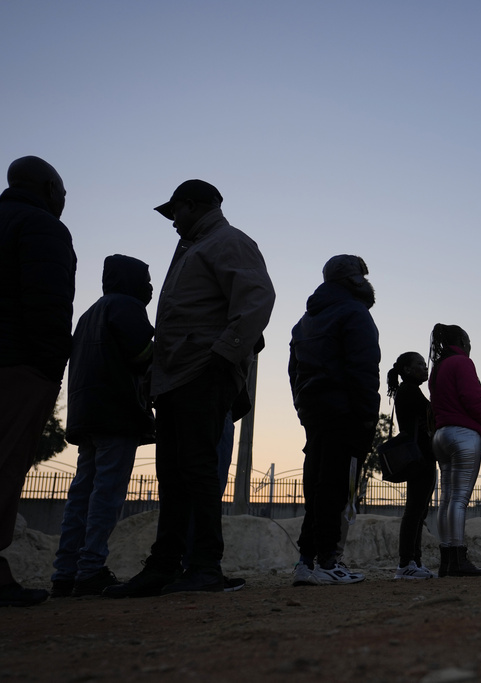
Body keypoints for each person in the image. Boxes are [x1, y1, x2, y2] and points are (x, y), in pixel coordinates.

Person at [105, 180, 275, 597]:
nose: (172, 221)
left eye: (175, 212)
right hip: (178, 376)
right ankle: (165, 565)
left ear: (195, 205)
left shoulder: (227, 241)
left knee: (197, 470)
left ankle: (203, 566)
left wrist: (223, 356)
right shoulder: (195, 247)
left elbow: (256, 299)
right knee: (174, 474)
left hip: (202, 371)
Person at [51, 255, 155, 597]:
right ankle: (91, 569)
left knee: (81, 494)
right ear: (132, 281)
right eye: (147, 279)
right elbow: (143, 354)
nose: (150, 287)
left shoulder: (88, 314)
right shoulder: (126, 307)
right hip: (117, 414)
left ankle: (64, 572)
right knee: (106, 495)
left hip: (88, 414)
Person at [0, 156, 75, 607]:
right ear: (49, 188)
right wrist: (51, 368)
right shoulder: (42, 226)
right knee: (6, 463)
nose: (64, 200)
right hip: (18, 365)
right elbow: (47, 305)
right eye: (62, 191)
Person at [287, 255, 379, 586]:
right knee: (337, 487)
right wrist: (368, 417)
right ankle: (327, 560)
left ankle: (305, 562)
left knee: (316, 486)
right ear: (353, 280)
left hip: (314, 414)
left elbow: (293, 370)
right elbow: (364, 370)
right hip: (347, 414)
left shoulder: (305, 321)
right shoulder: (355, 313)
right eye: (363, 275)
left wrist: (302, 406)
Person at [429, 323, 481, 577]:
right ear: (462, 343)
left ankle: (447, 559)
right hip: (463, 434)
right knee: (459, 500)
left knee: (446, 500)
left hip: (441, 435)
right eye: (468, 343)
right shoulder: (462, 363)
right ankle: (458, 558)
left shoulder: (438, 367)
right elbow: (472, 398)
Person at [387, 351, 437, 579]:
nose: (424, 367)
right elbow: (433, 413)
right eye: (419, 364)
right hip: (419, 458)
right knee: (414, 512)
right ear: (407, 370)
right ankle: (406, 563)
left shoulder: (410, 391)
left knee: (419, 511)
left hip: (422, 457)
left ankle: (414, 562)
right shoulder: (408, 391)